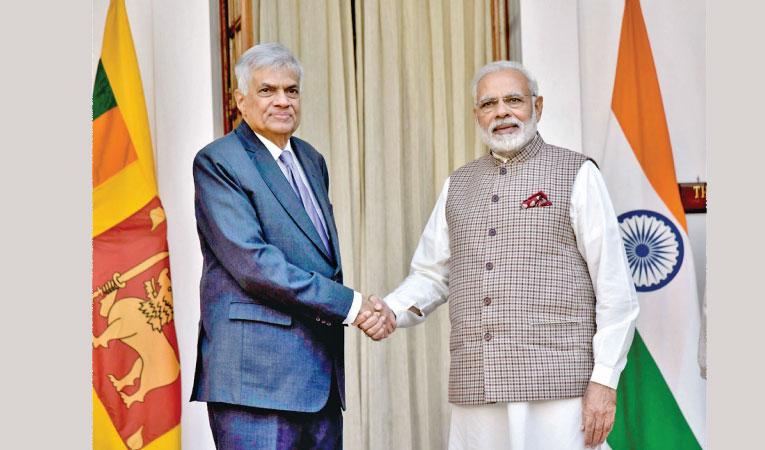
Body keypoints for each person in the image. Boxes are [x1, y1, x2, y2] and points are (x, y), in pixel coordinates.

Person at [360, 61, 639, 449]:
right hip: (479, 385)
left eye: (514, 100)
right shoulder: (458, 184)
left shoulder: (577, 173)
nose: (502, 112)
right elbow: (431, 273)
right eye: (489, 104)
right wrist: (391, 309)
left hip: (558, 389)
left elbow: (615, 290)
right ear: (477, 115)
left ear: (537, 107)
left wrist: (605, 380)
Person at [190, 43, 394, 450]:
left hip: (318, 379)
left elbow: (317, 259)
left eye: (292, 90)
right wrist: (354, 307)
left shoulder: (311, 160)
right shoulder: (219, 162)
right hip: (256, 383)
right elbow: (255, 265)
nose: (282, 101)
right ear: (240, 100)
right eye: (267, 91)